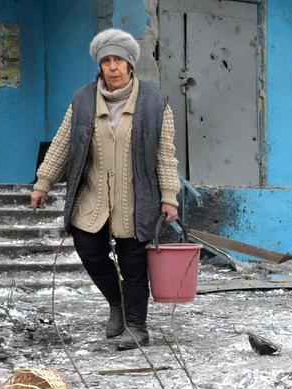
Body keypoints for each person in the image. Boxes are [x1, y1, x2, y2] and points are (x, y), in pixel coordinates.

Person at [30, 28, 180, 350]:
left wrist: (169, 197)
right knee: (89, 250)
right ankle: (117, 303)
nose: (113, 67)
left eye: (119, 61)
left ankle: (137, 326)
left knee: (134, 264)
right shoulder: (82, 100)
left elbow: (165, 155)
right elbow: (62, 144)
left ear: (129, 65)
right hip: (93, 197)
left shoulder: (155, 103)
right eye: (107, 61)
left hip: (135, 199)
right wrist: (43, 182)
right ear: (100, 65)